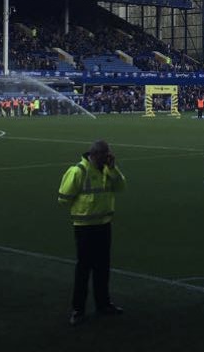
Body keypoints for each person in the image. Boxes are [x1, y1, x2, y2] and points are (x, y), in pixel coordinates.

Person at [58, 139, 127, 325]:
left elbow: (121, 187)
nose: (108, 159)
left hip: (104, 225)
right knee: (83, 269)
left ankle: (103, 304)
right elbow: (63, 198)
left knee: (102, 268)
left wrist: (112, 168)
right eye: (105, 156)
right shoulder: (78, 172)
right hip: (84, 228)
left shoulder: (107, 170)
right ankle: (78, 309)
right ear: (95, 155)